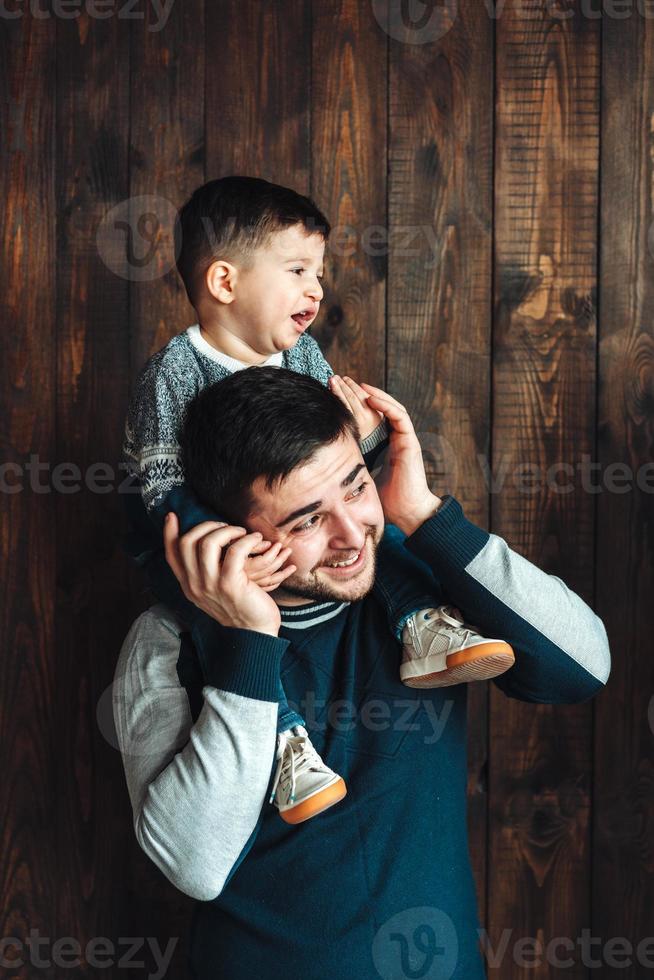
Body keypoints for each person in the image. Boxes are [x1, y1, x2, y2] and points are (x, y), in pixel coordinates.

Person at [112, 367, 611, 980]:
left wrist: (429, 519)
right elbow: (195, 865)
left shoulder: (425, 599)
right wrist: (248, 642)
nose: (353, 536)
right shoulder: (167, 643)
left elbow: (583, 669)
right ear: (232, 534)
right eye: (306, 520)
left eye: (354, 488)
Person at [121, 175, 514, 824]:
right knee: (224, 622)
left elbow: (332, 467)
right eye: (298, 269)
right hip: (194, 548)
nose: (317, 288)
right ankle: (284, 747)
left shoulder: (300, 352)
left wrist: (361, 442)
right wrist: (231, 561)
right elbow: (163, 491)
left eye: (320, 272)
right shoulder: (176, 371)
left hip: (295, 538)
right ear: (224, 283)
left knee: (367, 531)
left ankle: (420, 625)